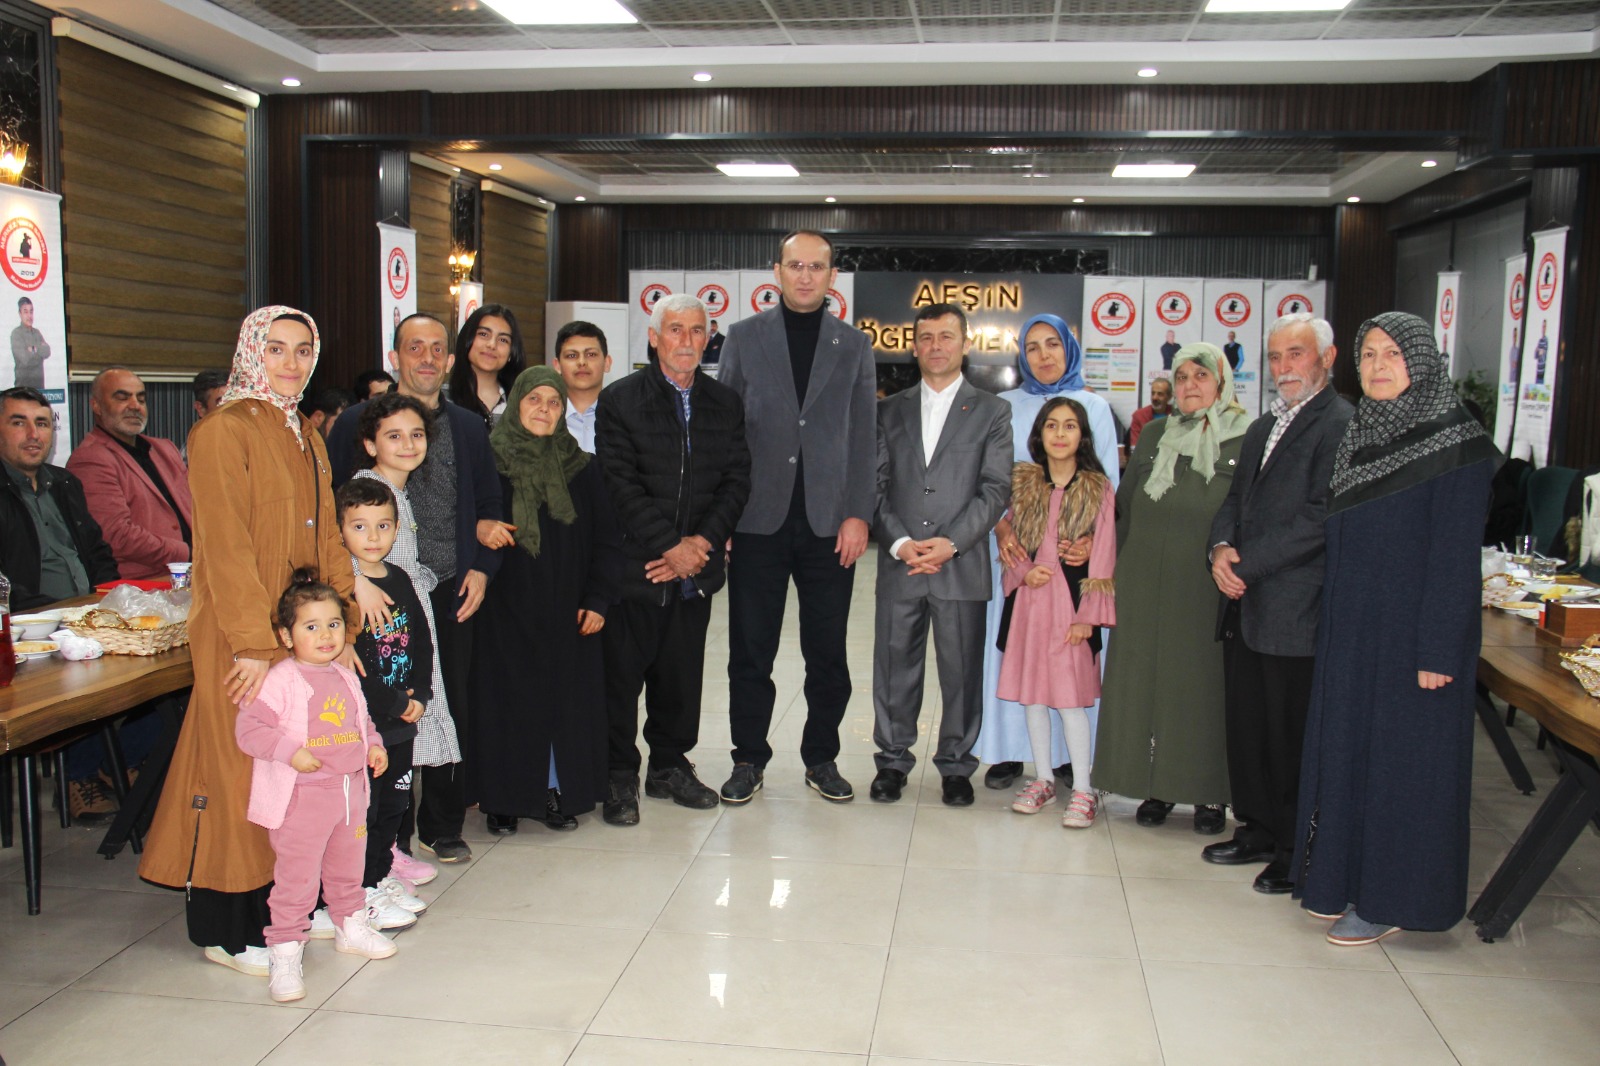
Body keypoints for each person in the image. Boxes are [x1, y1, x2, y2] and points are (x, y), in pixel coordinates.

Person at [140, 306, 358, 978]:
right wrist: (255, 646)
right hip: (241, 638)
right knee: (236, 767)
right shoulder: (222, 430)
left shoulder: (306, 434)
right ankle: (224, 929)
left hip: (298, 634)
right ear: (250, 353)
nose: (291, 363)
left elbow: (329, 537)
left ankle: (285, 907)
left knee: (291, 770)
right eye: (276, 349)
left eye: (303, 350)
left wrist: (341, 625)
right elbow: (227, 547)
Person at [1292, 311, 1498, 946]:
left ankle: (1393, 899)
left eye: (1394, 354)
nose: (1379, 366)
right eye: (1369, 354)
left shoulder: (1454, 442)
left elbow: (1454, 558)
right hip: (1356, 633)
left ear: (1422, 361)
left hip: (1415, 643)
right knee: (1351, 757)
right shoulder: (1365, 433)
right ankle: (1341, 883)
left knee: (1403, 772)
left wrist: (1438, 649)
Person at [328, 313, 503, 867]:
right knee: (388, 711)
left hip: (447, 590)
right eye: (414, 347)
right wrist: (352, 579)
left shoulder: (468, 427)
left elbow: (490, 505)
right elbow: (331, 512)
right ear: (395, 356)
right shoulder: (355, 425)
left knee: (446, 701)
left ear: (450, 361)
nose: (426, 358)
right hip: (379, 602)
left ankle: (441, 826)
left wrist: (482, 569)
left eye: (436, 349)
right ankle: (389, 837)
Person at [717, 230, 876, 804]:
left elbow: (864, 436)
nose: (805, 275)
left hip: (830, 524)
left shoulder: (854, 346)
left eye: (817, 266)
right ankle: (748, 759)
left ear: (832, 276)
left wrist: (858, 513)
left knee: (827, 652)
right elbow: (724, 431)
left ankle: (822, 757)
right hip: (755, 519)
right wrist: (720, 518)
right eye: (795, 265)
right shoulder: (743, 338)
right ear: (777, 272)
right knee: (750, 651)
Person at [1206, 315, 1353, 893]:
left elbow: (1321, 516)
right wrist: (1220, 548)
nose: (1283, 367)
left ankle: (1296, 848)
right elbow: (1234, 500)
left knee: (1288, 735)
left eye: (1296, 354)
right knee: (1248, 728)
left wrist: (1245, 564)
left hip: (1294, 607)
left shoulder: (1341, 424)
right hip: (1244, 605)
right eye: (1274, 356)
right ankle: (1258, 829)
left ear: (1327, 358)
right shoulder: (1264, 425)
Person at [594, 295, 750, 825]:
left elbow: (737, 481)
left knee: (680, 678)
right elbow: (620, 483)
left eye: (696, 331)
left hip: (694, 573)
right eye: (675, 329)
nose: (686, 340)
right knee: (620, 681)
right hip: (636, 568)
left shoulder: (725, 402)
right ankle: (618, 774)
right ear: (654, 337)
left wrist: (699, 547)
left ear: (709, 338)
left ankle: (668, 766)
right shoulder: (620, 400)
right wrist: (670, 547)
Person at [1096, 342, 1249, 835]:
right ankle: (1155, 787)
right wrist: (1107, 571)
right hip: (1142, 581)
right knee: (1146, 686)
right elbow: (1125, 507)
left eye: (1201, 376)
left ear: (1221, 382)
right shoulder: (1155, 433)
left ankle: (1208, 793)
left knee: (1200, 688)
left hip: (1204, 586)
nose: (1189, 386)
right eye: (1181, 377)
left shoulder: (1245, 437)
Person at [868, 303, 1011, 806]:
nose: (936, 346)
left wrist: (951, 543)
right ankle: (892, 761)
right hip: (901, 561)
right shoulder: (888, 410)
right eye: (926, 337)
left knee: (961, 672)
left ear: (965, 344)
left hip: (961, 562)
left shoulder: (992, 411)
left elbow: (995, 488)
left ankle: (955, 765)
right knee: (894, 668)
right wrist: (901, 542)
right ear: (913, 346)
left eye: (946, 337)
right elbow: (874, 485)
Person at [472, 366, 622, 833]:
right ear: (516, 404)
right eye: (534, 399)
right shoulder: (489, 464)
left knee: (564, 705)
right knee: (508, 703)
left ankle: (557, 791)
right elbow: (470, 525)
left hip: (570, 609)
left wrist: (598, 599)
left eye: (554, 402)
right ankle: (504, 797)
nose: (544, 409)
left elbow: (607, 540)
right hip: (503, 609)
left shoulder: (584, 468)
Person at [235, 569, 395, 1005]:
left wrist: (374, 746)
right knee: (296, 880)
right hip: (304, 798)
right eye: (311, 627)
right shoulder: (281, 679)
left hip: (349, 793)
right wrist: (290, 752)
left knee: (348, 868)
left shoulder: (344, 675)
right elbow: (250, 730)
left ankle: (350, 924)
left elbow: (361, 722)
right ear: (286, 636)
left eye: (333, 624)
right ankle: (285, 951)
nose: (325, 636)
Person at [978, 315, 1119, 791]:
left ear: (1069, 349)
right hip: (1017, 556)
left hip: (1074, 564)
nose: (1043, 355)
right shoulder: (1004, 405)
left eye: (1053, 344)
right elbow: (990, 478)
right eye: (1033, 347)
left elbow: (1107, 484)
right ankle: (1009, 753)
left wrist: (1088, 541)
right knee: (1018, 656)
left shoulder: (1094, 406)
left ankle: (1068, 763)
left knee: (1068, 661)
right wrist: (1001, 530)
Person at [0, 384, 138, 825]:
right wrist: (60, 616)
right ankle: (80, 776)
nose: (33, 434)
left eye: (42, 423)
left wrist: (109, 603)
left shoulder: (64, 484)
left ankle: (122, 762)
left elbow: (97, 552)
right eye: (19, 423)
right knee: (82, 684)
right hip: (29, 631)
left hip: (86, 616)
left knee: (173, 679)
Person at [346, 391, 451, 923]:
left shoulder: (400, 494)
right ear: (370, 443)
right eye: (393, 435)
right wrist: (355, 580)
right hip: (375, 636)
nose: (408, 444)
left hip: (406, 629)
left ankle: (389, 853)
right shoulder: (369, 491)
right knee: (379, 770)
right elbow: (338, 545)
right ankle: (373, 867)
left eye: (417, 434)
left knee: (399, 768)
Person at [996, 397, 1117, 827]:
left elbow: (1104, 554)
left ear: (1082, 436)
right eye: (1051, 425)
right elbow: (1010, 542)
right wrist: (1023, 573)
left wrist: (1088, 617)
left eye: (1069, 426)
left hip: (1071, 608)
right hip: (1031, 606)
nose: (1060, 434)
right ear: (1039, 434)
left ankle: (1083, 788)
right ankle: (1044, 778)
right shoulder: (1025, 484)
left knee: (1068, 700)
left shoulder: (1097, 488)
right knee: (1033, 696)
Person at [337, 477, 435, 927]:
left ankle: (378, 878)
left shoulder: (399, 579)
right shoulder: (343, 591)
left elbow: (422, 641)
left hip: (402, 721)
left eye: (383, 525)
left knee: (395, 806)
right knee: (367, 810)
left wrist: (422, 694)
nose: (373, 537)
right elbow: (351, 669)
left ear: (397, 529)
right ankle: (359, 889)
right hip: (369, 725)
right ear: (340, 531)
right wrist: (393, 701)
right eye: (359, 526)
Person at [67, 368, 194, 580]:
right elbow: (117, 535)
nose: (135, 406)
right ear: (96, 405)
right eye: (122, 397)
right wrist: (189, 553)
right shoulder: (90, 459)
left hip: (195, 571)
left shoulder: (165, 449)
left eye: (141, 399)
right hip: (142, 582)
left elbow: (196, 507)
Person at [447, 303, 524, 428]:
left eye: (503, 340)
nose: (492, 345)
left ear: (512, 352)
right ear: (467, 339)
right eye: (483, 334)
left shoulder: (522, 405)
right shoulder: (443, 399)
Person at [555, 320, 613, 453]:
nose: (582, 362)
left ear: (607, 363)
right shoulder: (545, 417)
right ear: (557, 365)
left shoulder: (624, 417)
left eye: (591, 354)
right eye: (572, 355)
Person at [10, 297, 49, 389]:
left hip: (39, 388)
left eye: (31, 312)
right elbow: (25, 359)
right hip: (23, 389)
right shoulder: (16, 333)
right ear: (20, 313)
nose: (29, 316)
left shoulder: (37, 333)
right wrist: (39, 351)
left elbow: (47, 352)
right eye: (25, 312)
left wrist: (32, 349)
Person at [1128, 377, 1171, 450]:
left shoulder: (1177, 416)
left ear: (1169, 397)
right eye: (1153, 393)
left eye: (1160, 394)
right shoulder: (1139, 416)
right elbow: (1135, 448)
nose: (1155, 398)